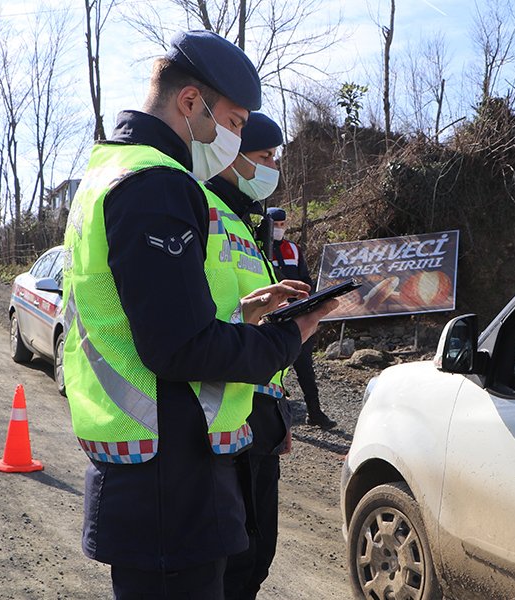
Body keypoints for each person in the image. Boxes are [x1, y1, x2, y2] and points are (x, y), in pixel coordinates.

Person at [60, 31, 335, 599]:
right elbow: (180, 347)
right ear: (190, 103)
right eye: (233, 123)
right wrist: (287, 340)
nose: (232, 141)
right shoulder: (157, 185)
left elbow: (148, 316)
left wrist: (244, 313)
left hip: (148, 466)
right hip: (172, 481)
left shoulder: (112, 171)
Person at [203, 112, 293, 600]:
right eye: (264, 156)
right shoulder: (205, 209)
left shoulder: (247, 221)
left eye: (275, 157)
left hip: (260, 413)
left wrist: (279, 416)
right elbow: (211, 320)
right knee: (234, 560)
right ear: (231, 156)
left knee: (259, 553)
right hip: (224, 416)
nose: (272, 167)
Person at [268, 208, 337, 429]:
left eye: (282, 224)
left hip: (297, 315)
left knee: (305, 367)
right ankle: (271, 416)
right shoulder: (259, 248)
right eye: (275, 225)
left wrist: (310, 302)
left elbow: (306, 279)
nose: (279, 229)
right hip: (272, 316)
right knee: (271, 370)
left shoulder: (293, 249)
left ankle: (314, 412)